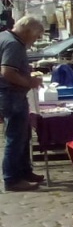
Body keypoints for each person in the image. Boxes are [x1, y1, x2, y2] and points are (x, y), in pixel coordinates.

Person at [0, 16, 46, 191]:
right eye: (35, 37)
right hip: (11, 95)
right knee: (15, 137)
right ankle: (12, 179)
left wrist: (26, 73)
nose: (35, 42)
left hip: (10, 94)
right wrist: (29, 82)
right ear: (27, 32)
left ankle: (24, 170)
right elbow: (7, 72)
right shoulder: (13, 44)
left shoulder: (4, 37)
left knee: (23, 135)